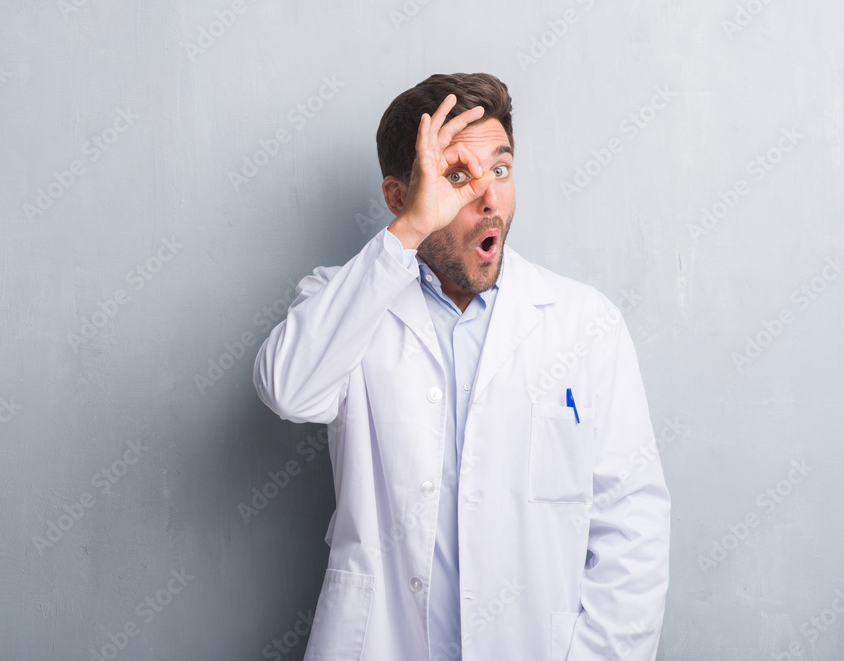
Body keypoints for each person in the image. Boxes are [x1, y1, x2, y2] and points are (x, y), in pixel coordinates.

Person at [253, 72, 670, 661]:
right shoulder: (346, 303)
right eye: (455, 177)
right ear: (400, 198)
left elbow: (633, 526)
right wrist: (409, 232)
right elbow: (290, 390)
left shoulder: (584, 323)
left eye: (500, 169)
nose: (489, 197)